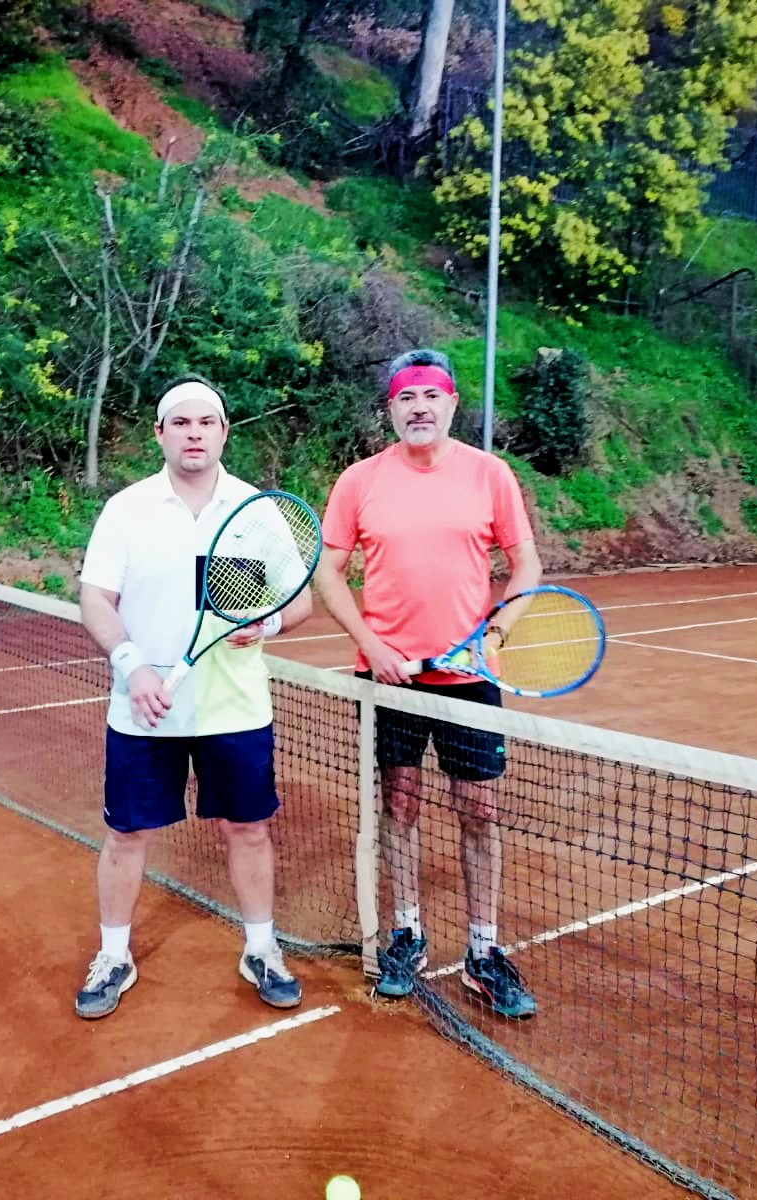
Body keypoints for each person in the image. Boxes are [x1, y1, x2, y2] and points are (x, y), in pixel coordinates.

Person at [74, 377, 314, 1020]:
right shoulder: (126, 509)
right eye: (180, 423)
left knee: (249, 829)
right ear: (159, 433)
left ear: (224, 432)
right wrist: (133, 666)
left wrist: (265, 626)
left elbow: (299, 603)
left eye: (206, 422)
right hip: (143, 709)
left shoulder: (258, 512)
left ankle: (262, 948)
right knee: (127, 834)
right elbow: (96, 597)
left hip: (235, 709)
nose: (194, 433)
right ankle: (114, 955)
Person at [313, 348, 543, 1019]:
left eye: (430, 397)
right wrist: (370, 644)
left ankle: (482, 950)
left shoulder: (488, 475)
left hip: (469, 682)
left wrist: (494, 636)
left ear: (449, 404)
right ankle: (407, 934)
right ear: (391, 408)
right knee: (401, 807)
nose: (418, 407)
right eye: (405, 398)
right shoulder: (359, 480)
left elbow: (524, 562)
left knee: (480, 813)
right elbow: (328, 571)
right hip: (387, 683)